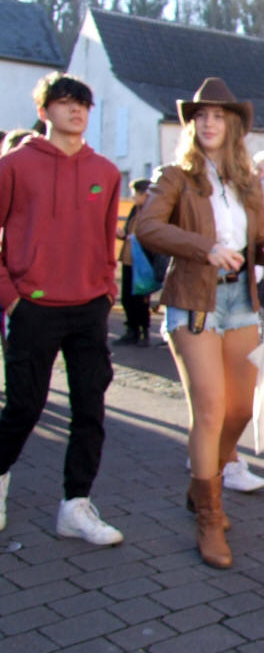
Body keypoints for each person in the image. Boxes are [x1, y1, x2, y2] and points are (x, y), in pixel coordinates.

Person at [136, 77, 264, 568]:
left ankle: (203, 486)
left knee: (241, 410)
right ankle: (209, 515)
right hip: (193, 301)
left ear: (234, 124)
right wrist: (205, 248)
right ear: (192, 125)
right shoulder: (176, 175)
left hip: (241, 300)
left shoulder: (247, 181)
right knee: (212, 408)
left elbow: (257, 236)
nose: (208, 123)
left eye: (218, 116)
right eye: (201, 116)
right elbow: (147, 227)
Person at [0, 72, 122, 544]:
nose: (76, 110)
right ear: (43, 110)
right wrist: (11, 299)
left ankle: (75, 505)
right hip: (33, 308)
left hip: (89, 307)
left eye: (84, 104)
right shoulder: (13, 166)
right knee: (24, 407)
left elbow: (106, 239)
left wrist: (106, 289)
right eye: (66, 102)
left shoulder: (106, 172)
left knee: (90, 408)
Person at [115, 178, 153, 347]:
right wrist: (122, 235)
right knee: (127, 297)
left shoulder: (152, 211)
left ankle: (144, 331)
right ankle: (132, 331)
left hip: (143, 261)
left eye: (134, 194)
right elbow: (128, 231)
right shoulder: (134, 209)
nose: (132, 198)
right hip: (129, 259)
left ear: (144, 194)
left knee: (141, 298)